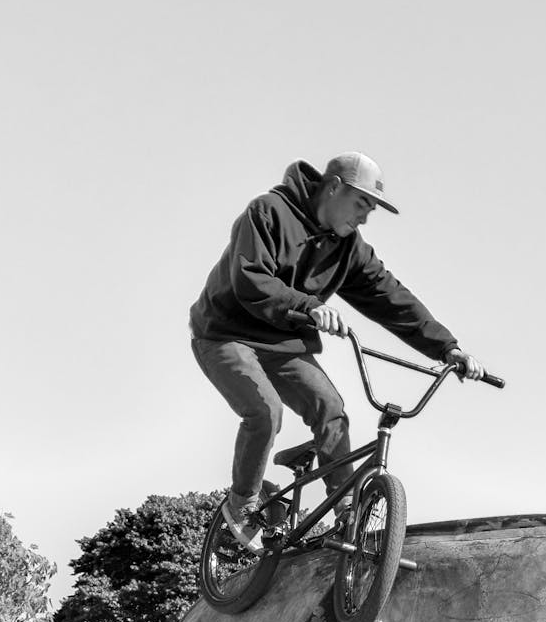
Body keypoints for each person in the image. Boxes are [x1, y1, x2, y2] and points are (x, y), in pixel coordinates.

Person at [189, 152, 486, 549]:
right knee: (265, 413)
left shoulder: (349, 248)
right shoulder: (268, 212)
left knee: (332, 408)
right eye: (362, 203)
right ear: (333, 187)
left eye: (371, 210)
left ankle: (346, 508)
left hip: (283, 344)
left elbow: (391, 297)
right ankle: (241, 504)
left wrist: (447, 347)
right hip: (225, 334)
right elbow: (250, 279)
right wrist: (310, 306)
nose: (365, 217)